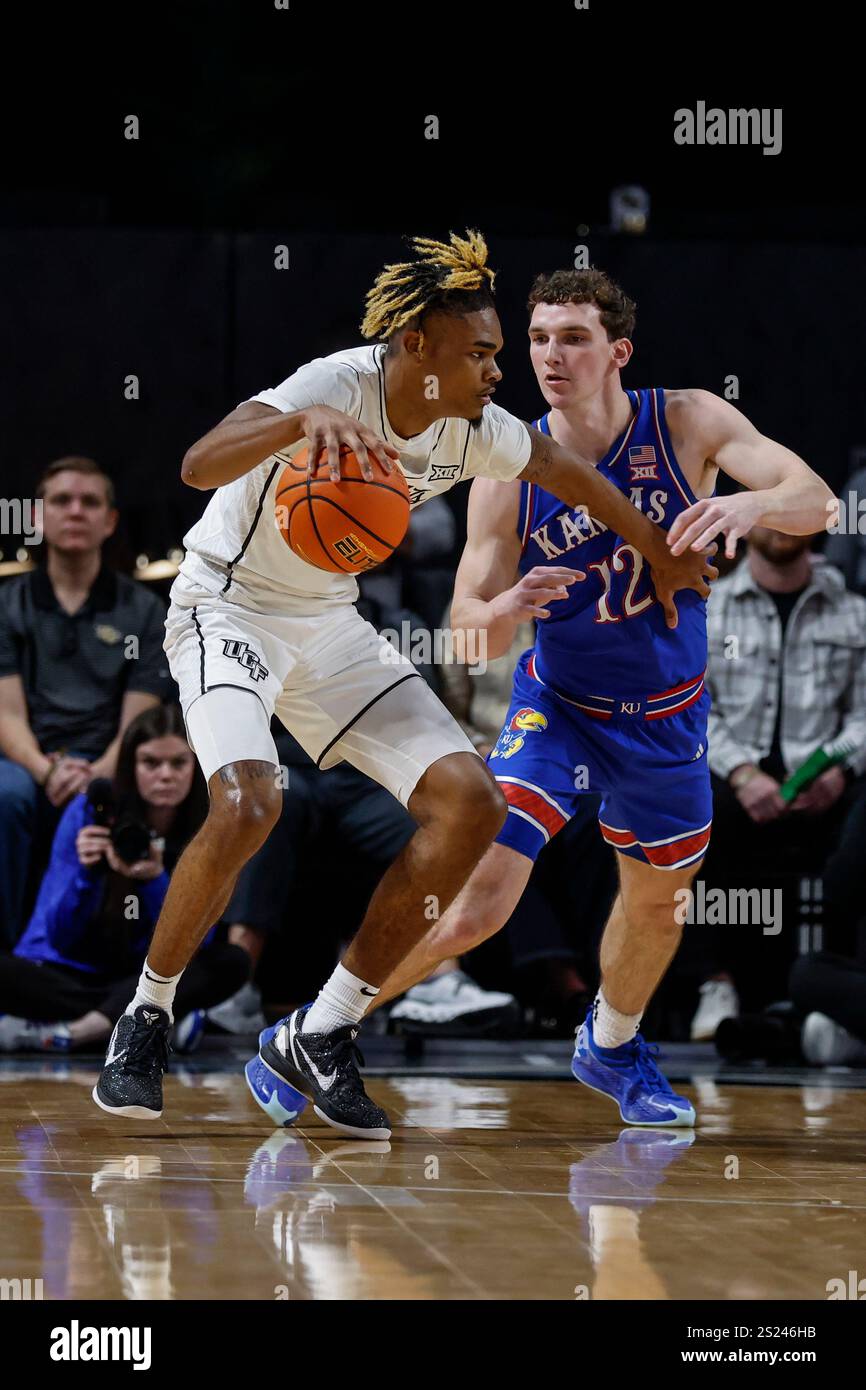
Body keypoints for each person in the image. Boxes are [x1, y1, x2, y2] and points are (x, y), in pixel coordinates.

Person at [93, 230, 713, 1137]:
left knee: (472, 801)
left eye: (503, 352)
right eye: (484, 352)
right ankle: (146, 1017)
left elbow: (570, 476)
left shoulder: (478, 430)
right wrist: (297, 424)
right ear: (416, 346)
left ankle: (328, 1028)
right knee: (249, 803)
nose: (502, 369)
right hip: (226, 609)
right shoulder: (333, 383)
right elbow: (198, 465)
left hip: (330, 624)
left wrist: (659, 552)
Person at [358, 266, 835, 1127]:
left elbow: (818, 501)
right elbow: (468, 631)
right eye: (537, 339)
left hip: (668, 714)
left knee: (657, 903)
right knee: (478, 903)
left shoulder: (686, 418)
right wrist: (498, 609)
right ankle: (318, 1028)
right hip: (560, 705)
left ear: (617, 351)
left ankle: (610, 1045)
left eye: (572, 338)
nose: (549, 355)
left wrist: (747, 505)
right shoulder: (507, 463)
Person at [685, 527, 866, 1034]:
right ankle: (714, 982)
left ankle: (836, 983)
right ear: (742, 523)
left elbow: (864, 715)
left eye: (794, 511)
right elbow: (693, 708)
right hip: (734, 774)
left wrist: (839, 769)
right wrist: (742, 773)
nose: (782, 524)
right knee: (688, 803)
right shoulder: (706, 608)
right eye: (768, 510)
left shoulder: (854, 613)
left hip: (829, 779)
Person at [0, 704, 248, 1054]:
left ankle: (82, 1030)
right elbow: (58, 934)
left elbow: (195, 944)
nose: (166, 775)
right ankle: (146, 1024)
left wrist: (155, 880)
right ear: (131, 767)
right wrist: (86, 877)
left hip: (143, 974)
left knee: (232, 962)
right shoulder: (91, 810)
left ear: (196, 766)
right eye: (151, 763)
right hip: (69, 970)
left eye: (178, 763)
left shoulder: (206, 825)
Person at [0, 456, 174, 945]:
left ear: (110, 520)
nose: (75, 511)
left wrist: (97, 773)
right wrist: (46, 770)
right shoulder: (7, 604)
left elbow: (140, 723)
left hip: (112, 759)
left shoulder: (144, 611)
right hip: (29, 763)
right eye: (61, 501)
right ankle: (13, 964)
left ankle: (131, 970)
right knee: (7, 795)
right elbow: (6, 712)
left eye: (90, 502)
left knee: (149, 789)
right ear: (37, 516)